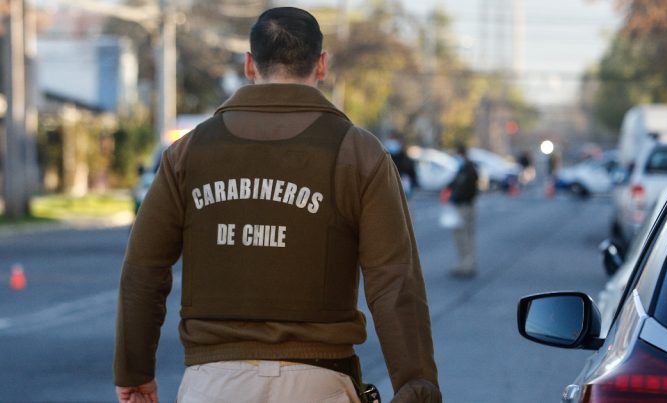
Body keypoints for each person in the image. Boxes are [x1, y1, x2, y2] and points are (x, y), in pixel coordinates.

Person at [113, 7, 441, 403]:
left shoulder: (188, 152)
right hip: (320, 382)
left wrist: (134, 372)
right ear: (321, 65)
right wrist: (416, 386)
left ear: (250, 64)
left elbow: (143, 270)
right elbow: (394, 281)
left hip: (211, 384)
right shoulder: (358, 152)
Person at [446, 144, 479, 278]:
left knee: (463, 235)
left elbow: (466, 189)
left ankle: (467, 264)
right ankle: (464, 262)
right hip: (464, 205)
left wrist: (455, 196)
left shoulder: (468, 169)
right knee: (463, 236)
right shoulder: (463, 169)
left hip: (464, 206)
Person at [385, 132, 418, 198]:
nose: (392, 143)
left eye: (394, 140)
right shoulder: (383, 159)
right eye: (391, 139)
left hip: (403, 193)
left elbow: (412, 177)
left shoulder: (406, 160)